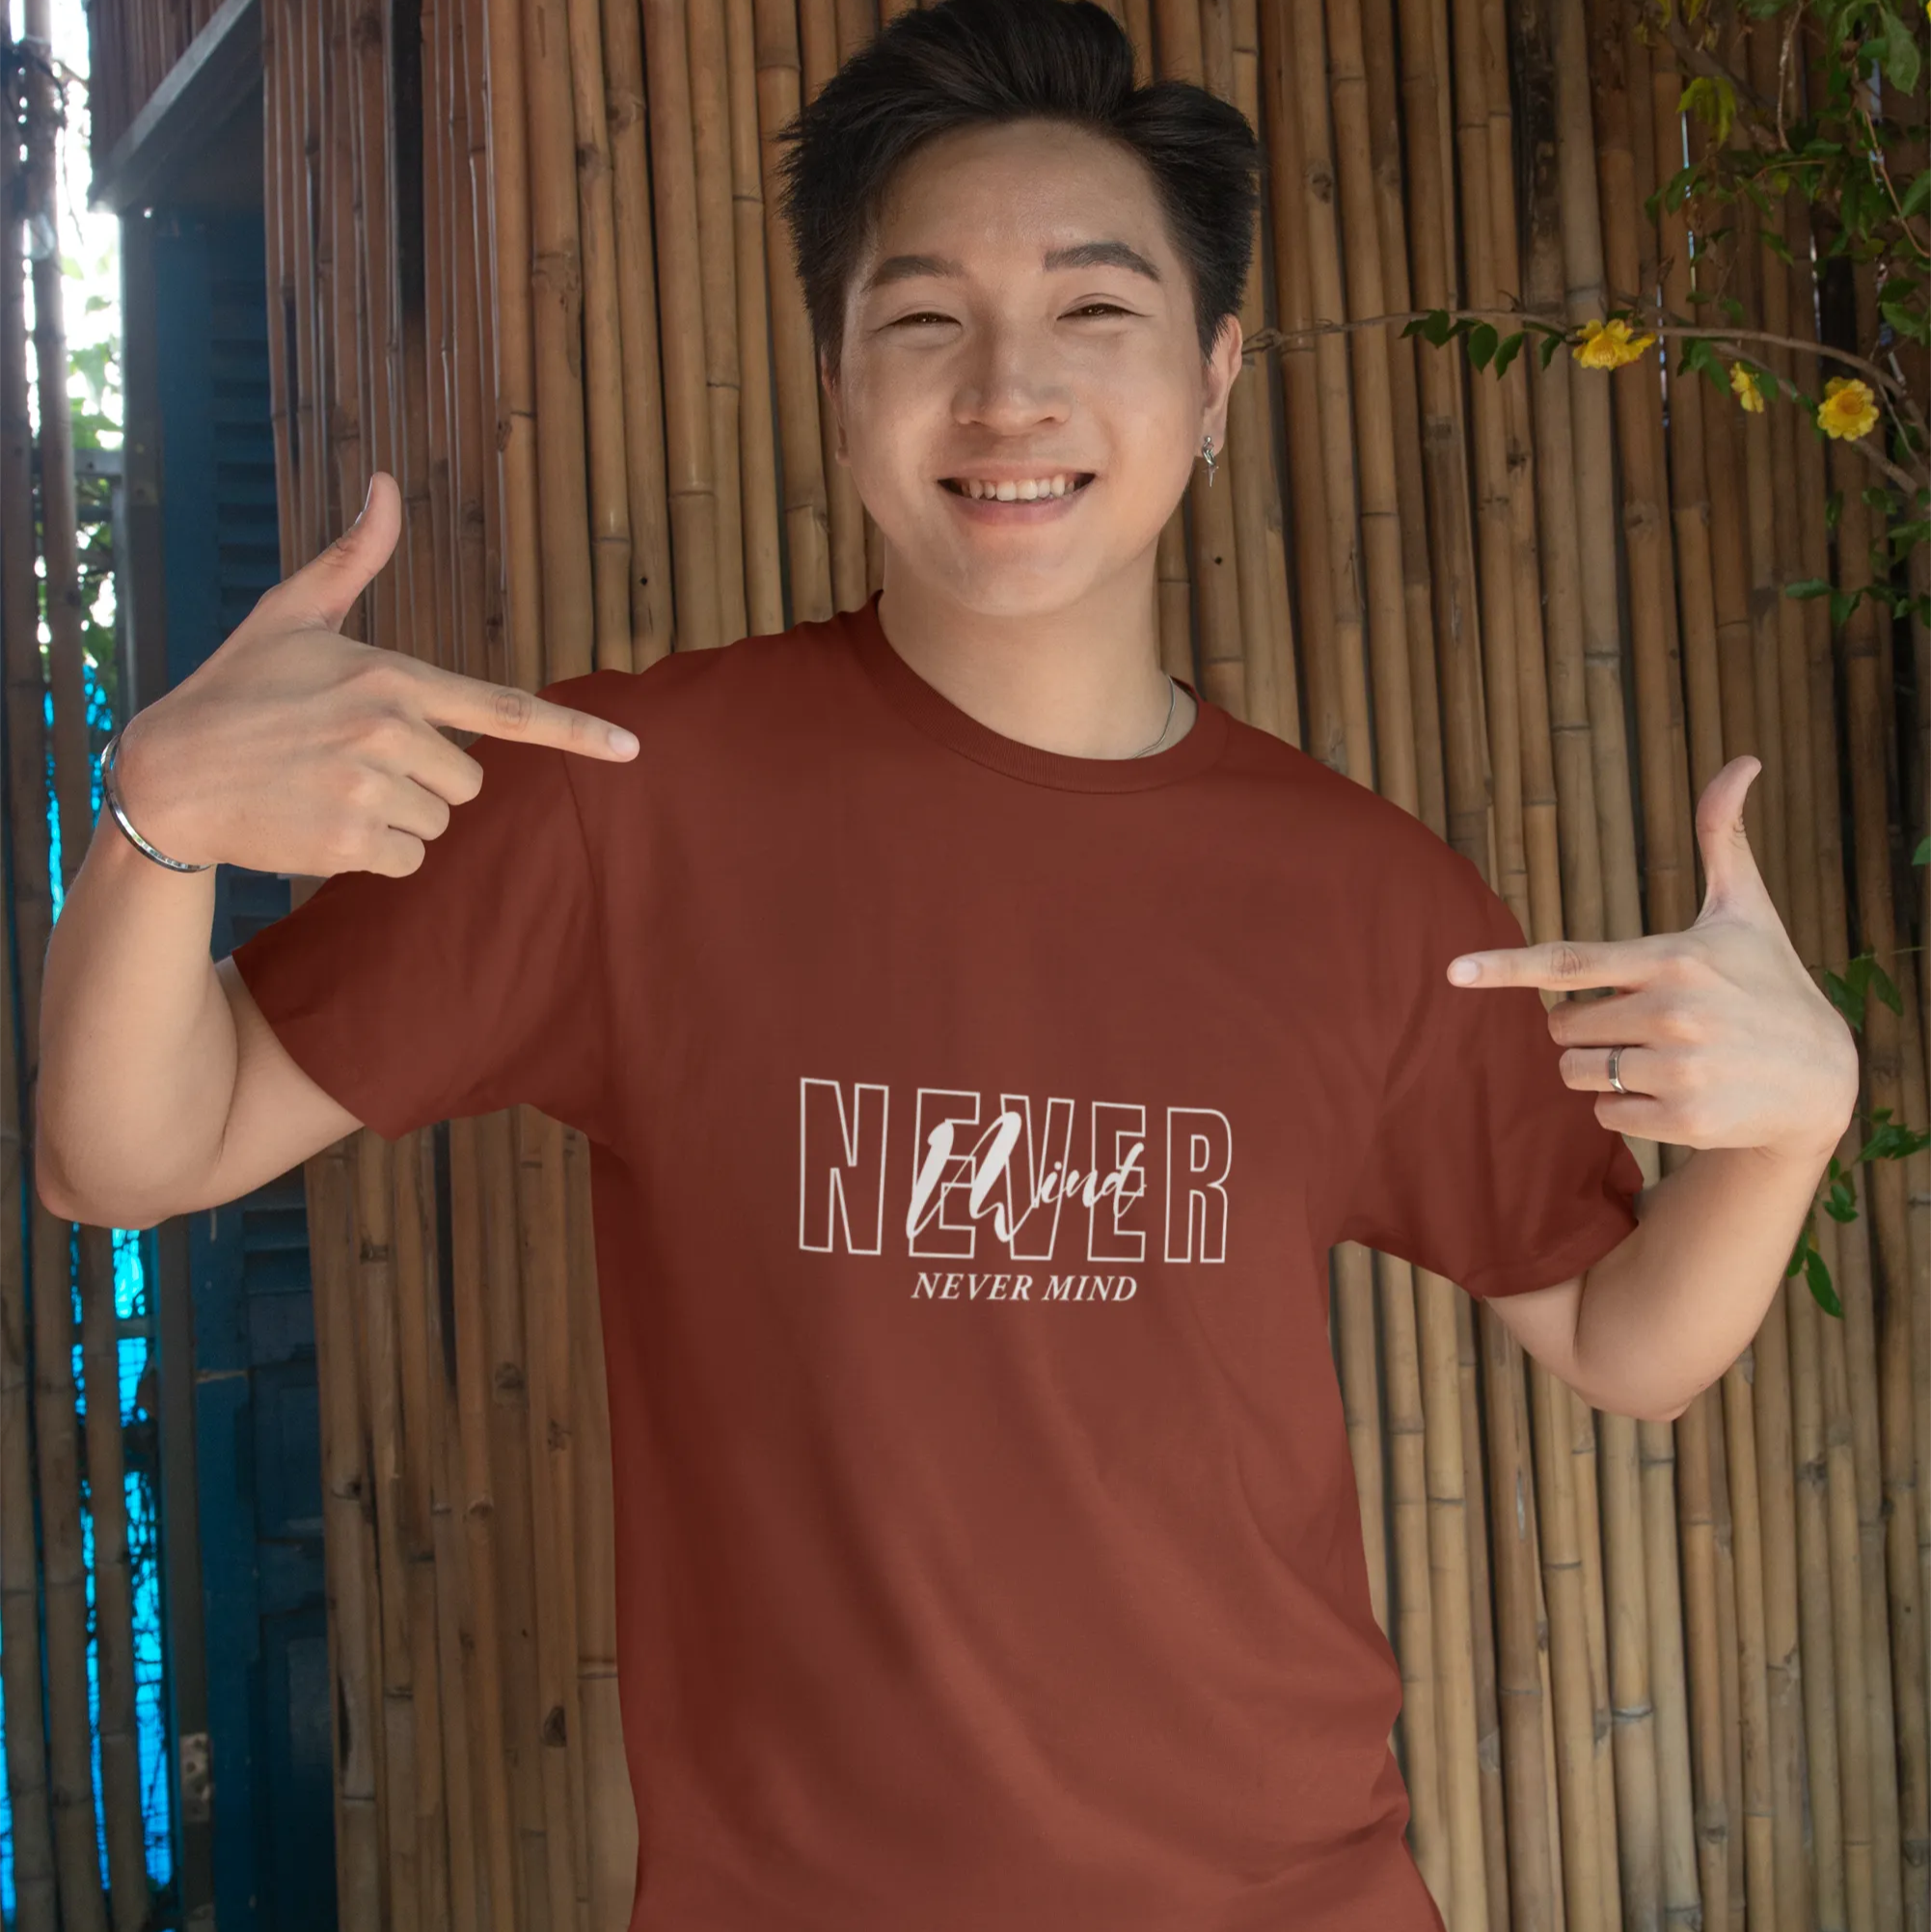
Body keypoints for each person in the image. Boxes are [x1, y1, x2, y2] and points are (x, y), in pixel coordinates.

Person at [40, 0, 1854, 1922]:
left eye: (1092, 314)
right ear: (837, 380)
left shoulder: (1367, 896)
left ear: (1216, 376)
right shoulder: (624, 806)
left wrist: (1788, 1126)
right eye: (922, 322)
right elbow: (131, 1151)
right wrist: (151, 818)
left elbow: (1618, 1336)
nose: (1007, 391)